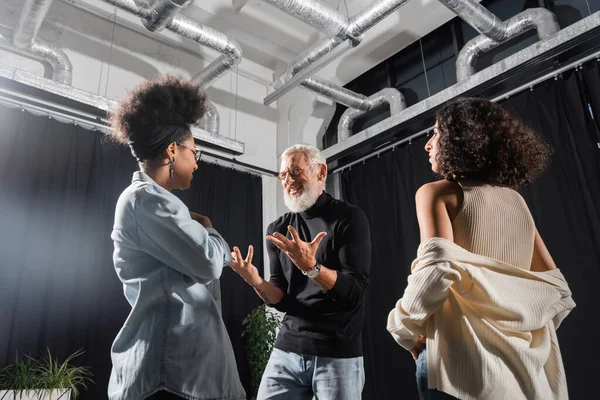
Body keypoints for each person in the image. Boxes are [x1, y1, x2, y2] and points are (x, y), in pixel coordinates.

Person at [386, 97, 575, 400]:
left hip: (458, 368)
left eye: (436, 133)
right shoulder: (516, 201)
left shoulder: (437, 193)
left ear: (460, 139)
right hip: (523, 372)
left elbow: (436, 270)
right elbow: (557, 289)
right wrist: (517, 328)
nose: (428, 144)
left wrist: (402, 329)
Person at [107, 74, 245, 400]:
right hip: (169, 375)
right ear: (172, 150)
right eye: (193, 152)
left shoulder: (161, 203)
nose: (196, 163)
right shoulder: (145, 200)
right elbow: (210, 262)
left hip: (183, 373)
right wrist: (210, 229)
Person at [230, 144, 371, 399]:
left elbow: (355, 294)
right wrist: (255, 281)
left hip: (337, 353)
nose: (289, 181)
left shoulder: (349, 218)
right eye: (283, 175)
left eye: (295, 171)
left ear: (320, 172)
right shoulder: (278, 229)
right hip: (287, 350)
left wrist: (312, 268)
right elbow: (281, 299)